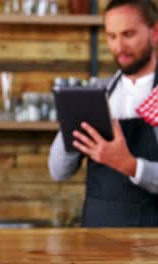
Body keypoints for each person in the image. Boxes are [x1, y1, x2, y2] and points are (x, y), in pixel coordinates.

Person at [49, 0, 158, 227]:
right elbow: (59, 171)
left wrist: (129, 164)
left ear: (155, 32)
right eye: (112, 36)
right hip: (96, 236)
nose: (119, 46)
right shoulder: (98, 93)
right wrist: (71, 118)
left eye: (128, 34)